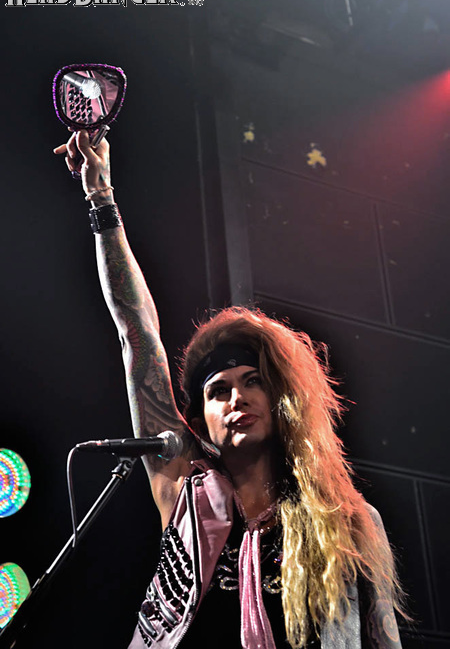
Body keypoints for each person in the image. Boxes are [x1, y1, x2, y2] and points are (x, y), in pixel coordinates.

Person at [54, 131, 406, 648]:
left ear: (281, 401)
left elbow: (383, 640)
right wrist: (101, 199)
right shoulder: (183, 494)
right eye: (218, 390)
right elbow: (137, 332)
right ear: (200, 418)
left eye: (252, 382)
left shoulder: (349, 521)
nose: (237, 398)